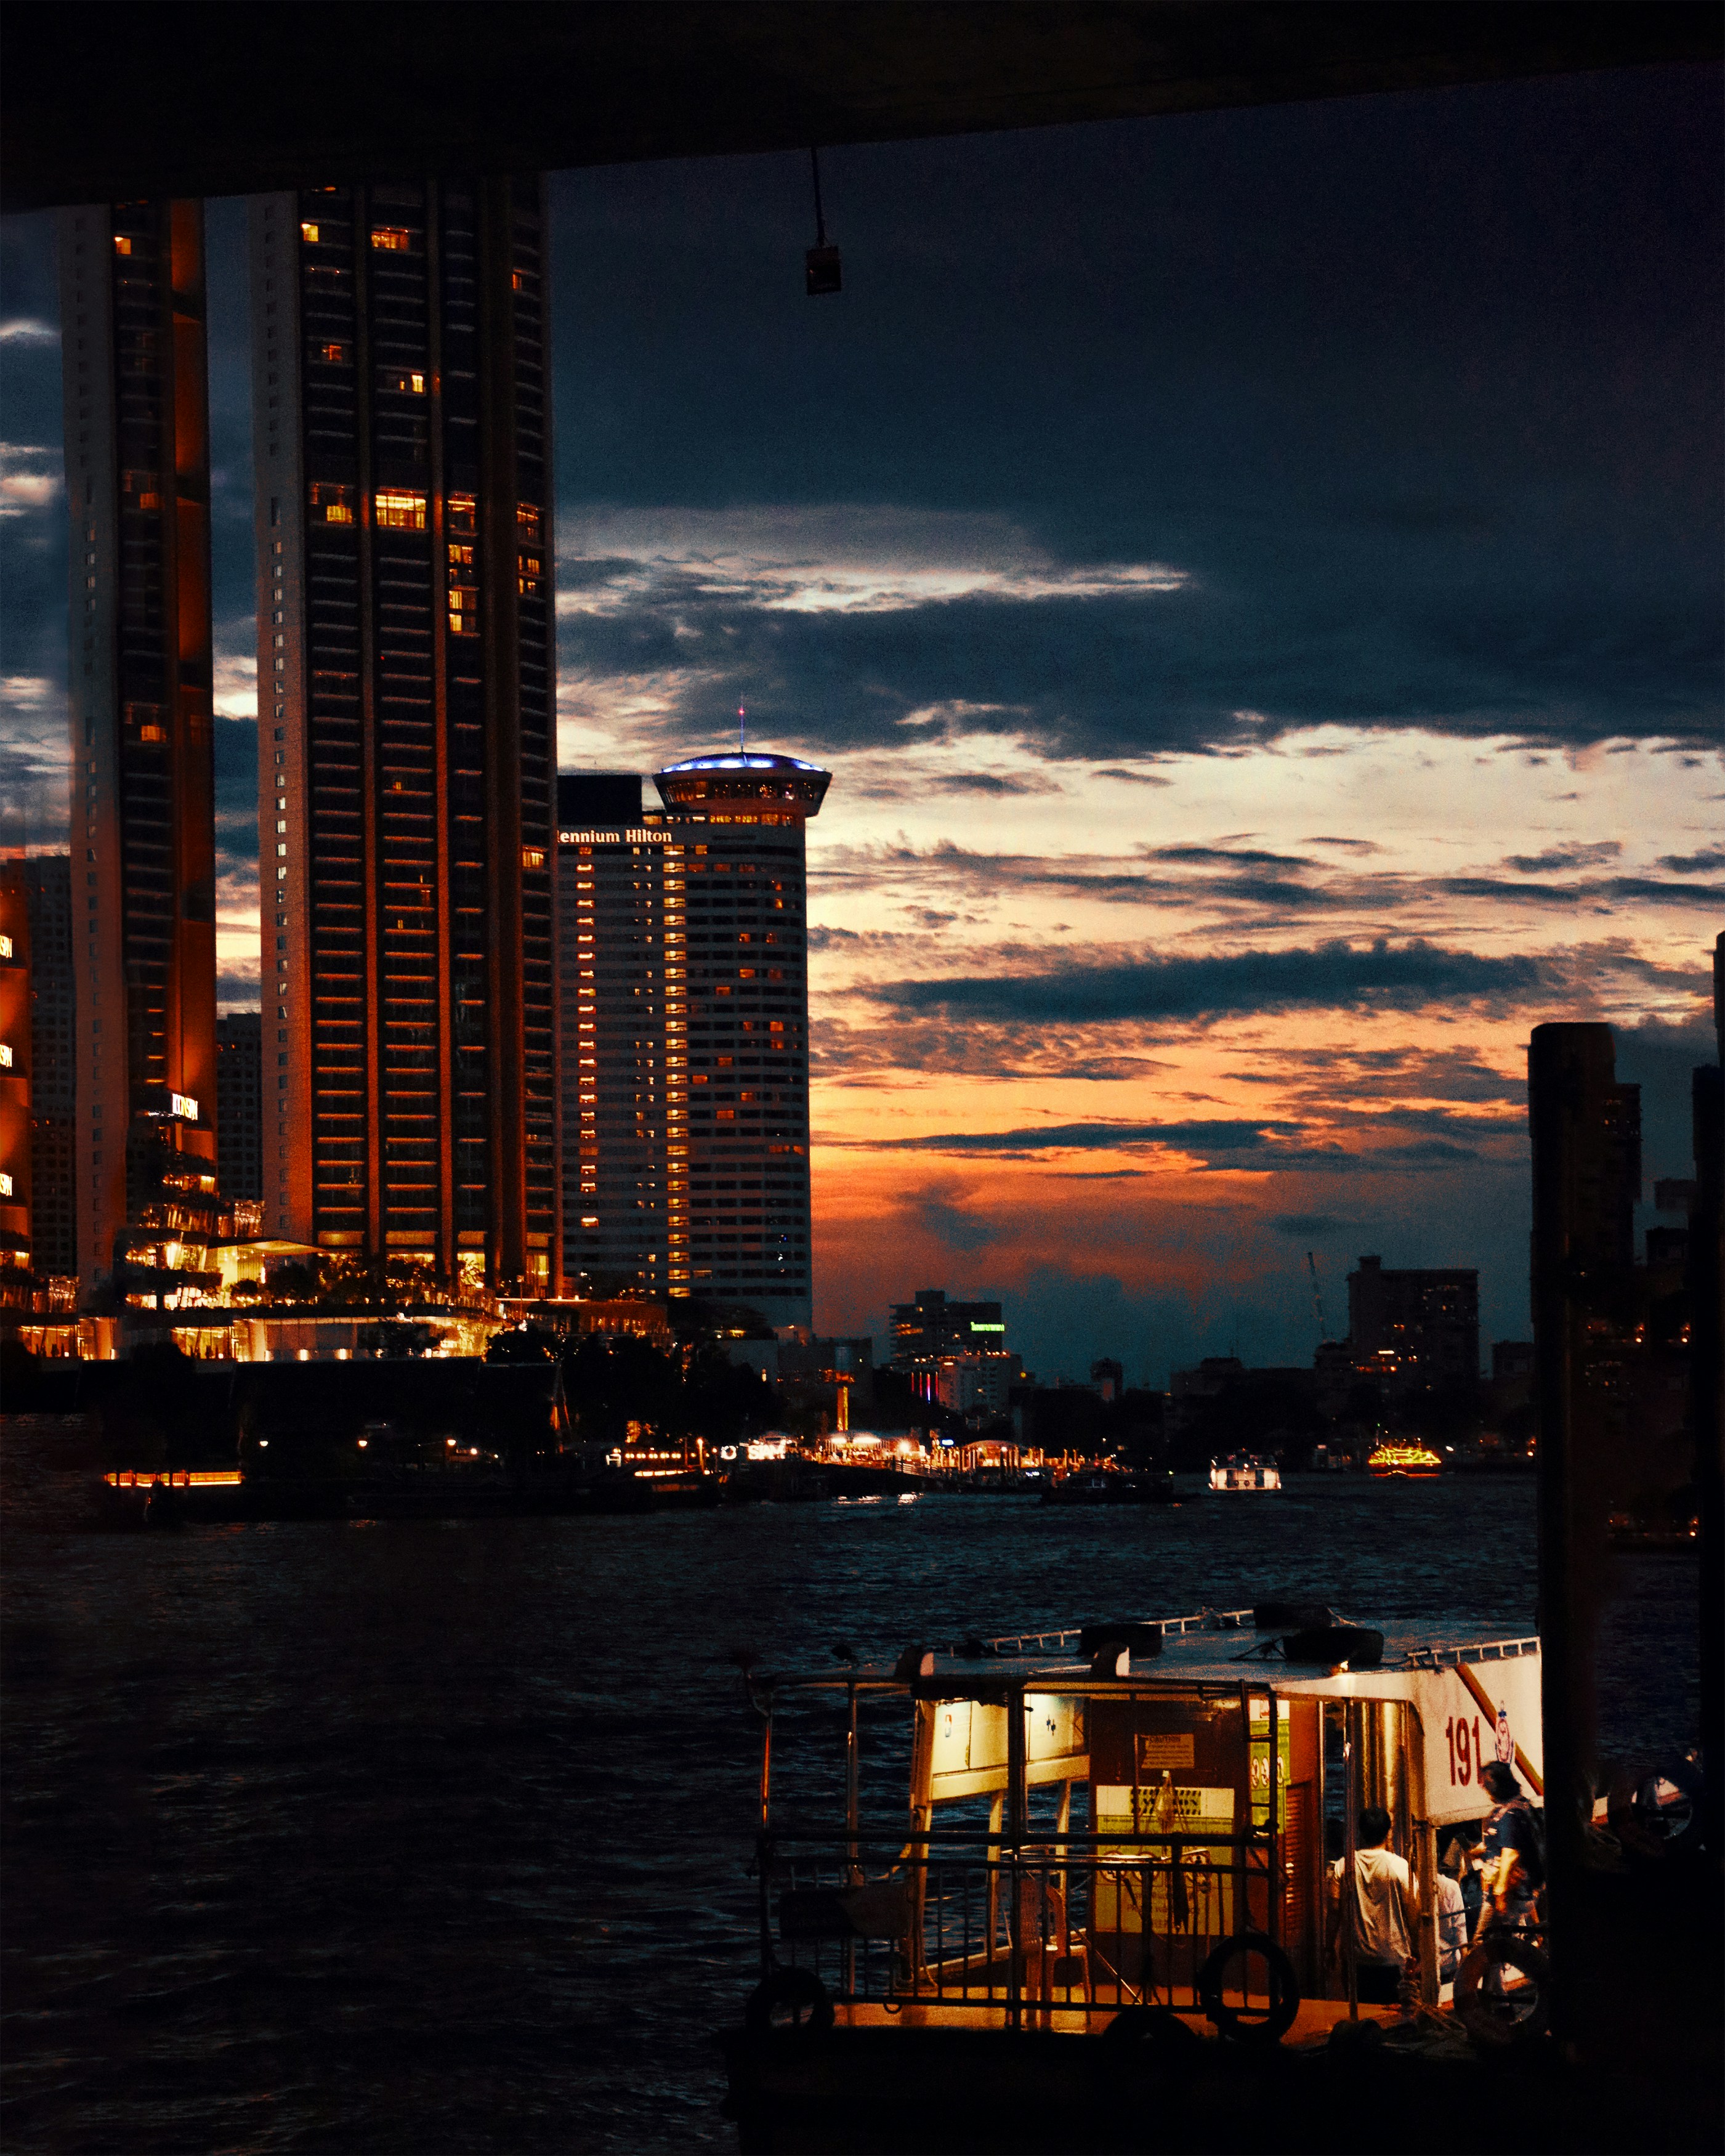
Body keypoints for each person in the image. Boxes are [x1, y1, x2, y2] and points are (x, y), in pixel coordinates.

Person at [1327, 1805, 1417, 2004]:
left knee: (1362, 2016)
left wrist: (1329, 1946)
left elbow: (1334, 1911)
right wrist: (1418, 1949)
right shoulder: (1400, 1867)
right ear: (1388, 1832)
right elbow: (1413, 1911)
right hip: (1394, 1959)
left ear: (1360, 1832)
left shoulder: (1344, 1866)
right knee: (1395, 2018)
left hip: (1357, 1960)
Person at [1475, 1761, 1543, 1938]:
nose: (1485, 1788)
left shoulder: (1509, 1815)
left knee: (1485, 1945)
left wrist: (1499, 1894)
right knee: (1507, 1943)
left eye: (1488, 1783)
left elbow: (1510, 1854)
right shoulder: (1521, 1805)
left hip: (1509, 1894)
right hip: (1522, 1892)